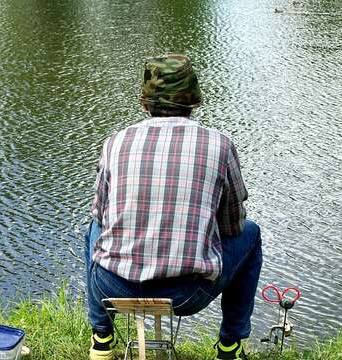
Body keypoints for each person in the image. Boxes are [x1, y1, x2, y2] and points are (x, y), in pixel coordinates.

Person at [85, 54, 262, 360]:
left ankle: (101, 336)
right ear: (194, 100)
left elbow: (100, 213)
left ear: (144, 103)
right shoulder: (220, 145)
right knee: (251, 234)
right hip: (184, 296)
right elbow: (233, 225)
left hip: (112, 288)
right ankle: (230, 344)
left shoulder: (116, 141)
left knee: (93, 226)